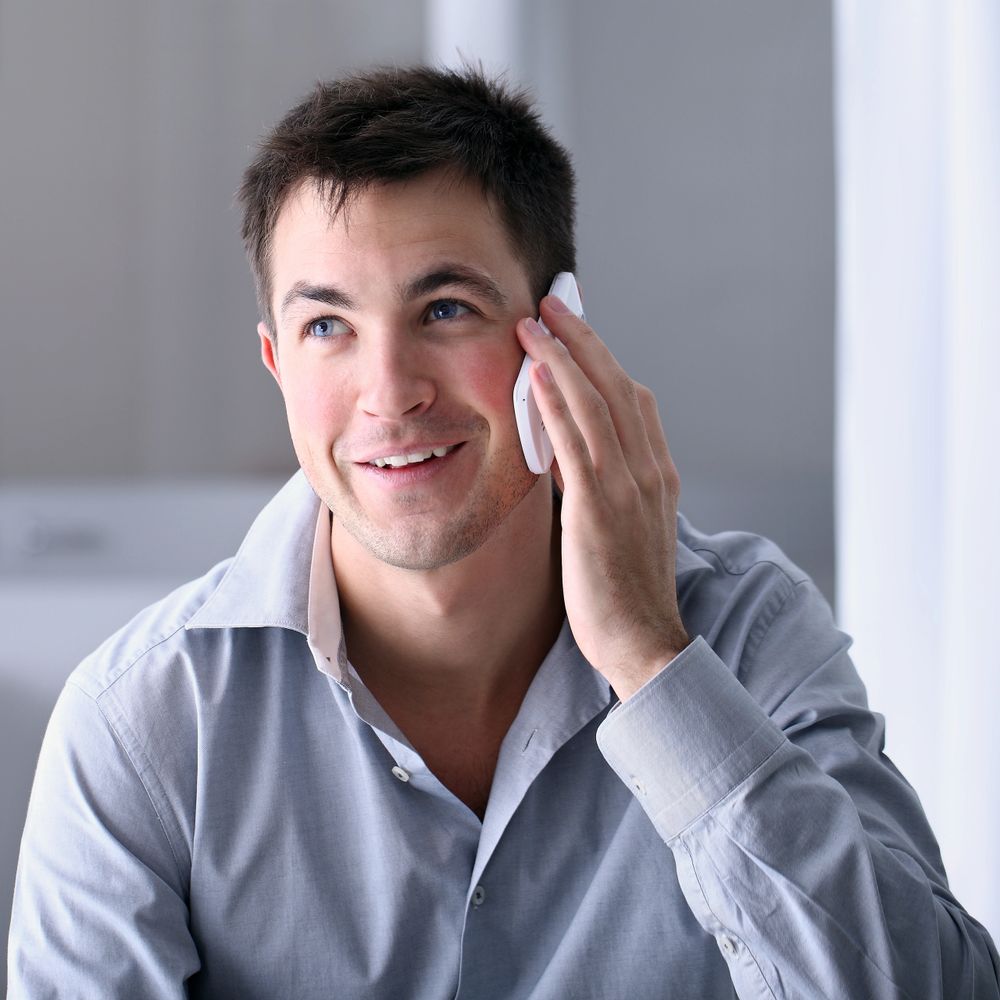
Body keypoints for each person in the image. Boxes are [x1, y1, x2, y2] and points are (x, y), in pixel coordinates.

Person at [7, 65, 999, 1000]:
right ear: (276, 364)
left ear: (558, 332)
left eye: (444, 308)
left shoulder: (745, 629)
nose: (389, 392)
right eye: (326, 327)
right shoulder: (141, 723)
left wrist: (655, 662)